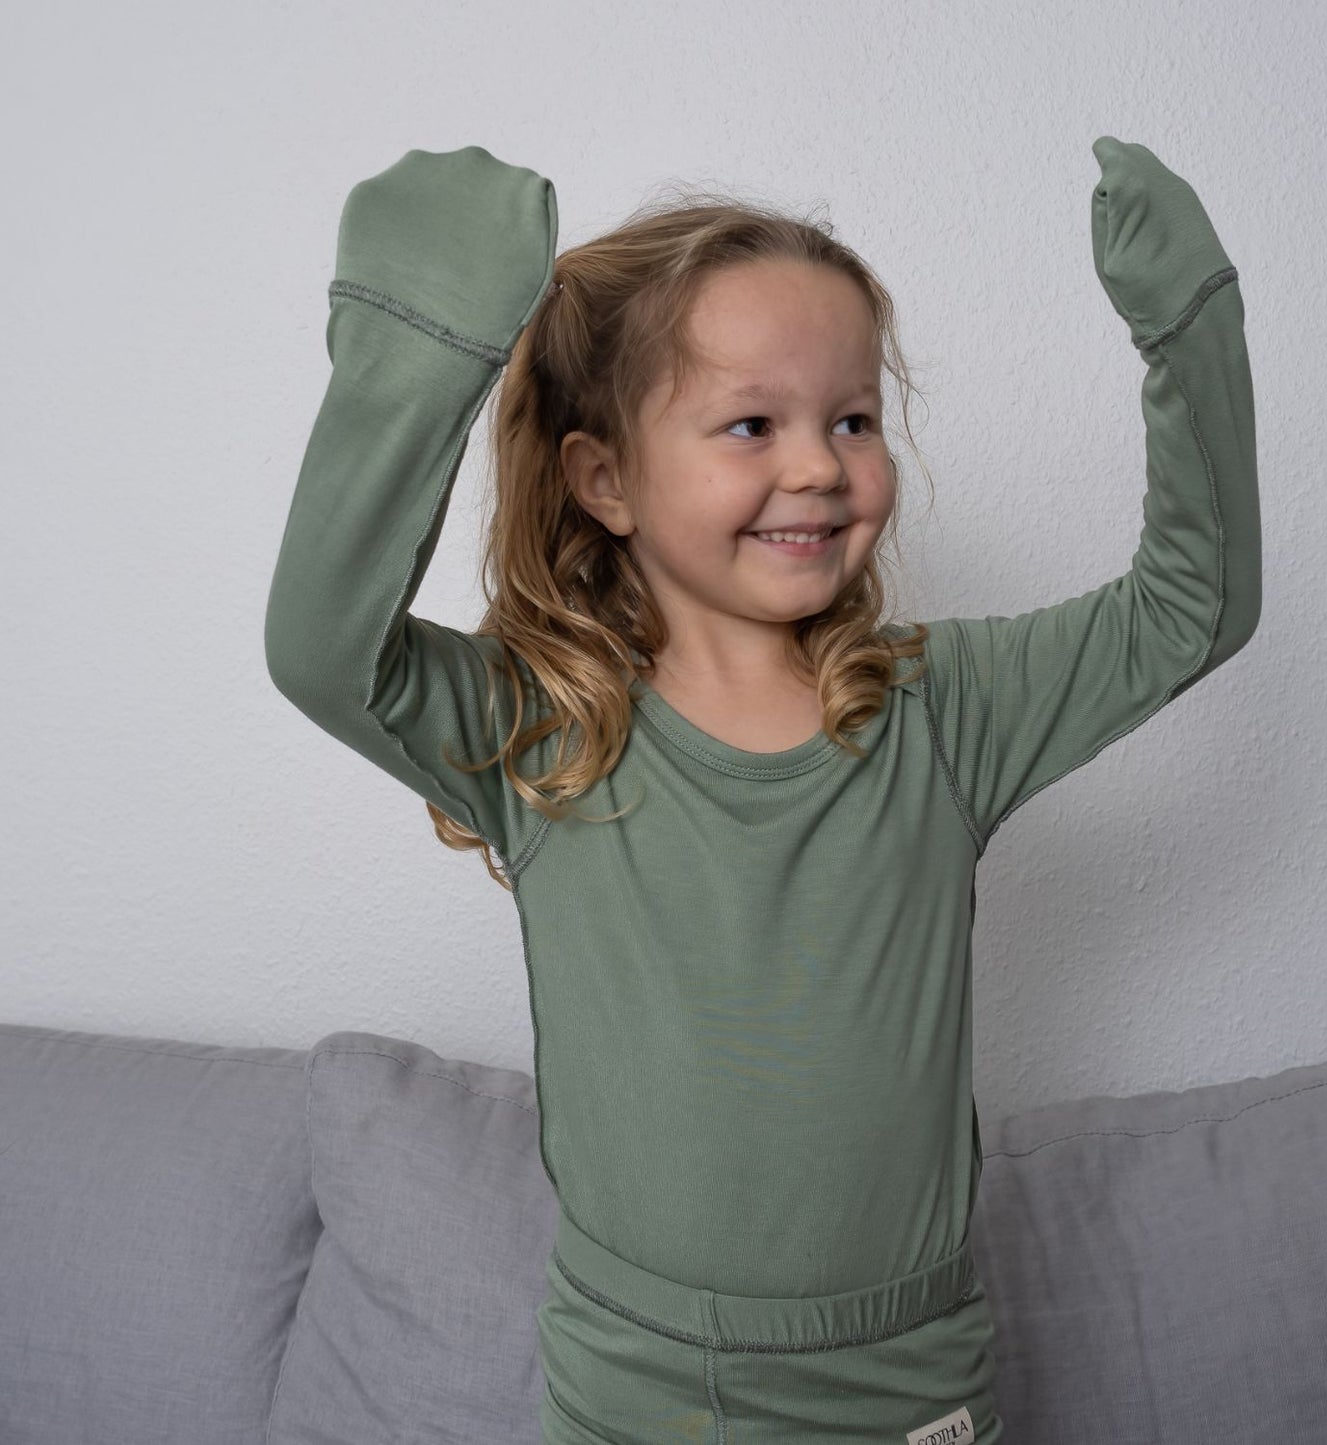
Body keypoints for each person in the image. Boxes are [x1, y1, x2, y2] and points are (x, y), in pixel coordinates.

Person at [264, 136, 1260, 1444]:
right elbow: (324, 649)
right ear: (602, 477)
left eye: (850, 417)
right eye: (751, 423)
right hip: (629, 1386)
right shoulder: (540, 727)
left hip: (906, 1385)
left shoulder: (942, 710)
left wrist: (1187, 331)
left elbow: (1191, 608)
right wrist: (419, 346)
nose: (818, 464)